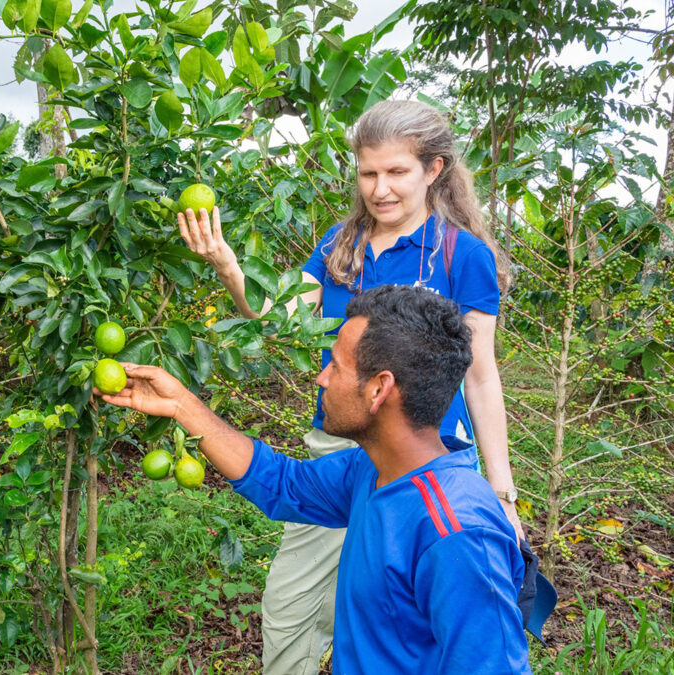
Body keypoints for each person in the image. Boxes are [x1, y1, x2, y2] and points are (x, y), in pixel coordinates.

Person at [178, 99, 524, 673]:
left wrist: (503, 493)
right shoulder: (341, 243)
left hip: (422, 457)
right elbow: (280, 320)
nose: (380, 188)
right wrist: (227, 266)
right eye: (368, 173)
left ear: (433, 170)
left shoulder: (463, 254)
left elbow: (482, 377)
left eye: (396, 173)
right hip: (341, 448)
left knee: (402, 611)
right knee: (290, 604)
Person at [97, 284, 532, 674]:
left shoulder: (456, 534)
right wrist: (182, 407)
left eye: (336, 367)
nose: (321, 377)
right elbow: (284, 484)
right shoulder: (375, 469)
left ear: (379, 389)